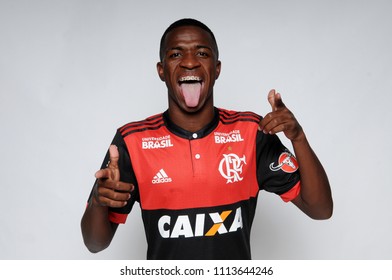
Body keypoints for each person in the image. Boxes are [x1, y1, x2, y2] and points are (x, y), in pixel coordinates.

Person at [81, 18, 333, 260]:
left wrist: (298, 137)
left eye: (202, 53)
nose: (189, 62)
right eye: (176, 54)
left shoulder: (252, 133)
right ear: (161, 70)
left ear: (217, 68)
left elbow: (320, 209)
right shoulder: (132, 140)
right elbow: (95, 243)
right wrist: (98, 199)